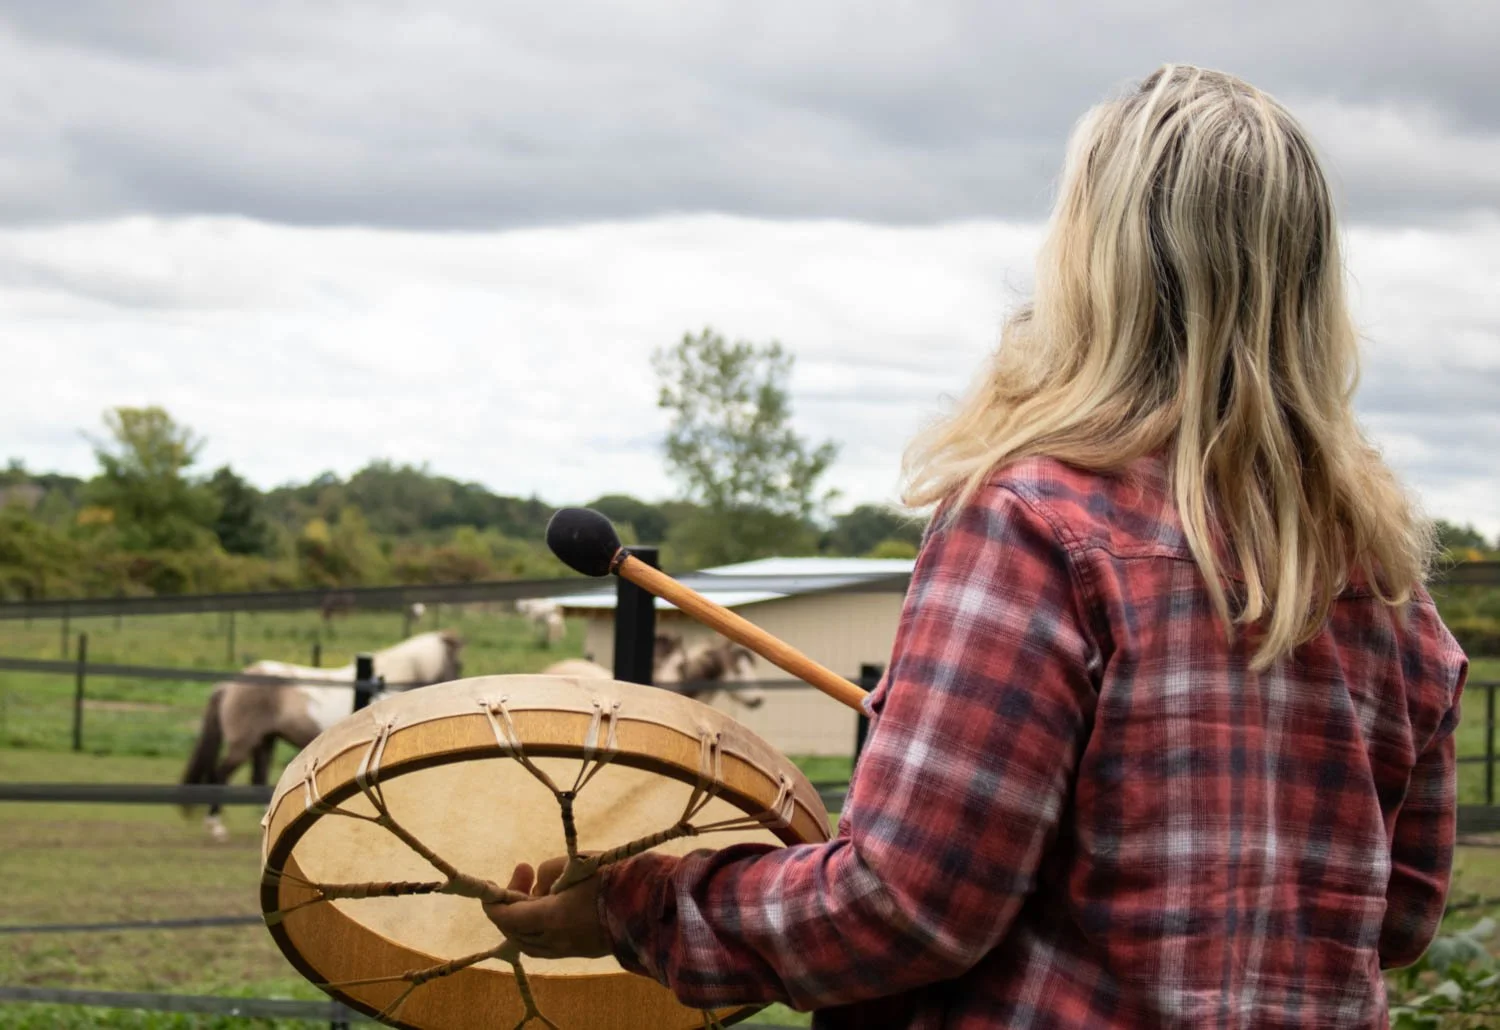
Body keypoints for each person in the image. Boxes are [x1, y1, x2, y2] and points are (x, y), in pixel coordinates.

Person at [485, 64, 1469, 1028]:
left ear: (1095, 259)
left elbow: (902, 908)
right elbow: (1402, 911)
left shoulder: (1034, 523)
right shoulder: (1382, 577)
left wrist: (634, 905)